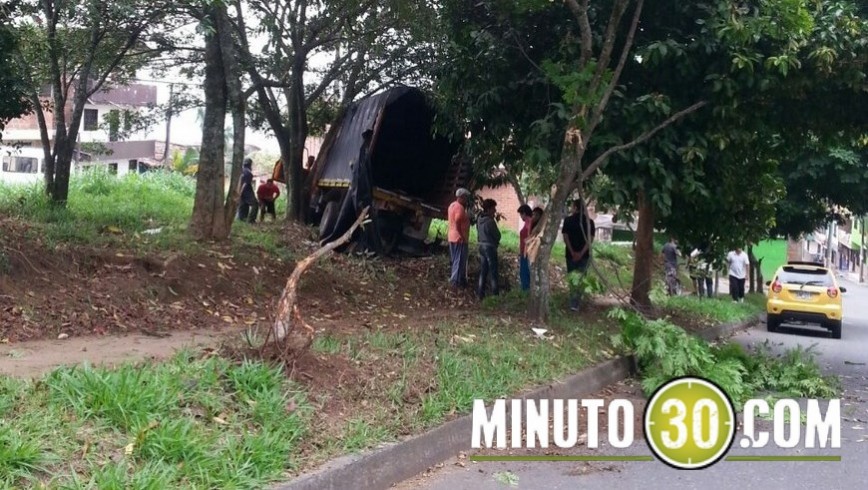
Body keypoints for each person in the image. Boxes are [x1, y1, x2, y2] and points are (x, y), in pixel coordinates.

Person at [562, 199, 595, 311]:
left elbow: (565, 237)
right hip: (584, 255)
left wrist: (572, 252)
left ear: (575, 208)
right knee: (581, 278)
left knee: (572, 278)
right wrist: (581, 253)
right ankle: (577, 303)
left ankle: (573, 303)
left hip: (570, 255)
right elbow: (590, 239)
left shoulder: (568, 220)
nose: (571, 208)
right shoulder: (590, 222)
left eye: (572, 206)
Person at [477, 199, 501, 299]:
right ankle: (495, 295)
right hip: (490, 247)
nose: (495, 210)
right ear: (489, 209)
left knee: (483, 271)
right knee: (493, 272)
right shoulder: (490, 222)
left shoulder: (479, 219)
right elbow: (497, 235)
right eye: (493, 208)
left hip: (481, 246)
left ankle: (480, 294)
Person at [448, 188, 472, 289]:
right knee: (459, 260)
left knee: (455, 259)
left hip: (452, 236)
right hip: (459, 239)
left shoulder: (452, 205)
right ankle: (455, 282)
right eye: (466, 197)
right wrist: (462, 235)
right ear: (461, 197)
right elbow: (457, 221)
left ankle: (459, 280)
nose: (467, 200)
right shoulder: (459, 208)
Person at [237, 158, 259, 223]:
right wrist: (240, 193)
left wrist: (239, 193)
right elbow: (245, 184)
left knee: (243, 205)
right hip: (247, 191)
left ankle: (242, 219)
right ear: (250, 164)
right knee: (255, 204)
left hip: (241, 191)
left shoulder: (241, 171)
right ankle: (251, 220)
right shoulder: (248, 173)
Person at [517, 204, 533, 291]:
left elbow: (529, 237)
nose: (520, 216)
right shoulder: (528, 222)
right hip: (524, 251)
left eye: (521, 214)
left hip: (526, 252)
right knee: (525, 272)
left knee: (524, 273)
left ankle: (526, 291)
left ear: (524, 213)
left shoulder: (528, 222)